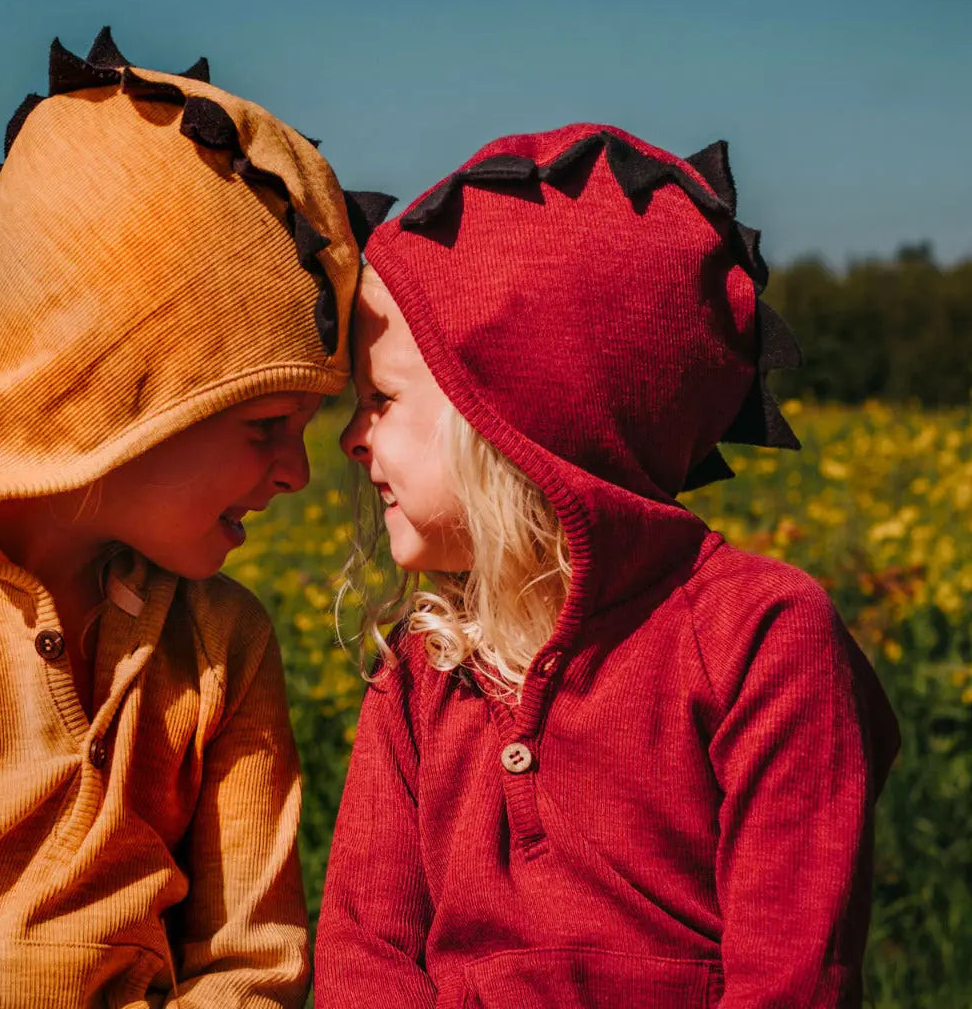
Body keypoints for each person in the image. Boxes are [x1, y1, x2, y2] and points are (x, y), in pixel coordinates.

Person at [0, 27, 368, 1007]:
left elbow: (250, 966)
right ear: (106, 391)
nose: (298, 473)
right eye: (266, 424)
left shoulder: (224, 643)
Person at [315, 123, 900, 1008]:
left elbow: (793, 977)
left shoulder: (761, 636)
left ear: (516, 412)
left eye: (381, 399)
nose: (353, 439)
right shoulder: (420, 672)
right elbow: (366, 959)